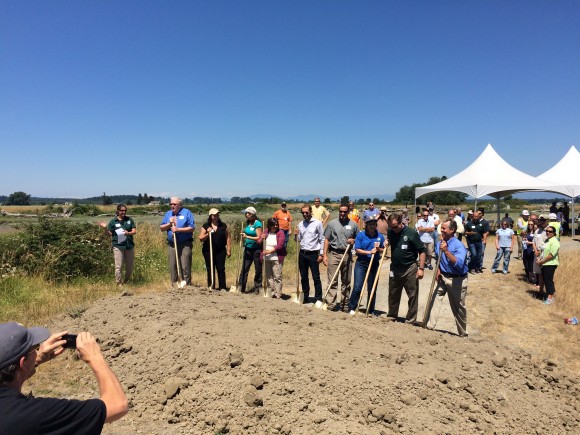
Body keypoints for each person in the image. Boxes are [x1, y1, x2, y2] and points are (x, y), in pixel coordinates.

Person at [0, 323, 127, 433]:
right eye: (34, 349)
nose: (37, 350)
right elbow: (116, 406)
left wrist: (34, 362)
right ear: (22, 363)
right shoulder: (33, 414)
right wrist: (94, 357)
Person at [425, 220, 469, 337]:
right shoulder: (440, 243)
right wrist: (438, 271)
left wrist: (447, 251)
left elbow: (459, 264)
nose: (442, 230)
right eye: (441, 228)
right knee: (434, 299)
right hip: (443, 277)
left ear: (452, 230)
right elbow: (438, 259)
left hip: (456, 280)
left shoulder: (458, 245)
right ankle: (429, 325)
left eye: (444, 228)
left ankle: (463, 334)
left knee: (458, 308)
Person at [386, 213, 426, 323]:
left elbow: (422, 251)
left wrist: (421, 268)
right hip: (395, 267)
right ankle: (392, 315)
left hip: (410, 267)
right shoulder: (391, 231)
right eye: (391, 226)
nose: (393, 229)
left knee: (412, 294)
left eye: (395, 226)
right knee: (393, 293)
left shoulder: (411, 233)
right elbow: (389, 240)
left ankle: (411, 320)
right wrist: (387, 242)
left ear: (401, 223)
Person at [322, 204, 358, 311]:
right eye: (340, 211)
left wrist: (354, 240)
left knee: (346, 282)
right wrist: (324, 255)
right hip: (334, 254)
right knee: (332, 280)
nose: (342, 214)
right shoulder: (332, 223)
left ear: (348, 212)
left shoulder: (354, 225)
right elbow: (327, 239)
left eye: (345, 212)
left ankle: (344, 305)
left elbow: (358, 238)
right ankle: (331, 304)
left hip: (347, 254)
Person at [348, 215, 386, 315]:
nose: (372, 226)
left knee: (372, 288)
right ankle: (352, 307)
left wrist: (379, 249)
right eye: (370, 224)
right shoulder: (361, 235)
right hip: (361, 263)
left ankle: (370, 309)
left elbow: (383, 250)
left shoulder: (380, 236)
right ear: (366, 225)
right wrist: (369, 252)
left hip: (374, 264)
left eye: (374, 224)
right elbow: (357, 250)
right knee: (357, 287)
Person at [160, 197, 195, 286]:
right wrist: (169, 223)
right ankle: (174, 286)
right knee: (173, 266)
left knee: (185, 266)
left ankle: (187, 285)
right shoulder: (168, 214)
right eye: (171, 204)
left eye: (174, 204)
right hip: (172, 244)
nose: (172, 206)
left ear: (179, 205)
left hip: (185, 244)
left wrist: (178, 229)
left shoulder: (187, 213)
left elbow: (192, 228)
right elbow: (162, 228)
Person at [98, 203, 136, 286]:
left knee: (129, 266)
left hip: (129, 245)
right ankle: (119, 283)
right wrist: (105, 228)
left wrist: (128, 233)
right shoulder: (113, 222)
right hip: (118, 246)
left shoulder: (129, 220)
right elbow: (109, 234)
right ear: (118, 211)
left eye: (125, 210)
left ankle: (126, 281)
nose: (123, 212)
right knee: (119, 265)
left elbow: (134, 231)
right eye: (122, 211)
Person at [295, 204, 325, 304]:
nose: (305, 214)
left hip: (313, 254)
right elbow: (298, 240)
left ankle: (318, 298)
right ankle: (305, 296)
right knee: (303, 276)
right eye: (303, 212)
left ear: (310, 212)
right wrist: (296, 235)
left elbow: (322, 239)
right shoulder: (300, 224)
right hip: (302, 253)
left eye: (306, 212)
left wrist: (321, 254)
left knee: (316, 277)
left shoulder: (317, 223)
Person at [199, 208, 231, 290]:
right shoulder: (206, 226)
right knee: (210, 268)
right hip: (208, 251)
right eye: (214, 215)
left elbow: (227, 237)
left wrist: (228, 249)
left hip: (220, 250)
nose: (216, 216)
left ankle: (222, 287)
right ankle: (211, 286)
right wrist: (207, 234)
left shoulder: (223, 226)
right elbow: (201, 238)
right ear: (210, 216)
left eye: (217, 215)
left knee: (221, 268)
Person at [259, 218, 286, 298]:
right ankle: (271, 292)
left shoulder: (280, 233)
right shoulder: (266, 231)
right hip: (267, 258)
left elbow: (280, 245)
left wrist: (269, 251)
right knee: (269, 277)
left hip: (277, 258)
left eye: (276, 225)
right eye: (273, 225)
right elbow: (259, 242)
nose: (275, 226)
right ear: (269, 225)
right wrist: (261, 238)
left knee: (277, 276)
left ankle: (278, 294)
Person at [238, 207, 263, 294]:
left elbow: (259, 237)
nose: (246, 215)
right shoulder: (248, 223)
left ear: (252, 214)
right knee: (244, 268)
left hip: (256, 249)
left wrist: (247, 237)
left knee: (258, 269)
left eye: (248, 213)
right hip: (247, 248)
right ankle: (241, 287)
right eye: (246, 213)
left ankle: (258, 288)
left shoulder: (258, 224)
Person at [537, 225, 560, 305]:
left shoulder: (554, 241)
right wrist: (539, 259)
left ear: (554, 233)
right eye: (547, 231)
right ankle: (551, 296)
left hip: (550, 264)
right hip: (545, 263)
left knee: (548, 281)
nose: (548, 232)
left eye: (550, 231)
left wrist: (541, 262)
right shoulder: (547, 240)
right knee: (547, 280)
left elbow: (551, 255)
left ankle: (550, 298)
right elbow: (543, 252)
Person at [464, 210, 486, 274]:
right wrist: (470, 233)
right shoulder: (469, 224)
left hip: (479, 242)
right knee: (474, 255)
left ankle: (476, 267)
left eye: (477, 216)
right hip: (471, 242)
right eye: (474, 216)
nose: (476, 218)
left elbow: (484, 232)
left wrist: (484, 239)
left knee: (479, 256)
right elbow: (464, 232)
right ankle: (471, 268)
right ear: (472, 216)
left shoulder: (481, 224)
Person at [532, 216, 548, 293]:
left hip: (544, 254)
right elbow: (533, 242)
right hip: (537, 253)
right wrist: (536, 251)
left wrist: (540, 251)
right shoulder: (537, 231)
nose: (541, 221)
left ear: (547, 221)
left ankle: (545, 291)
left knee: (545, 273)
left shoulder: (549, 231)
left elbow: (548, 244)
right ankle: (541, 290)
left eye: (543, 220)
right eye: (540, 220)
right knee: (539, 273)